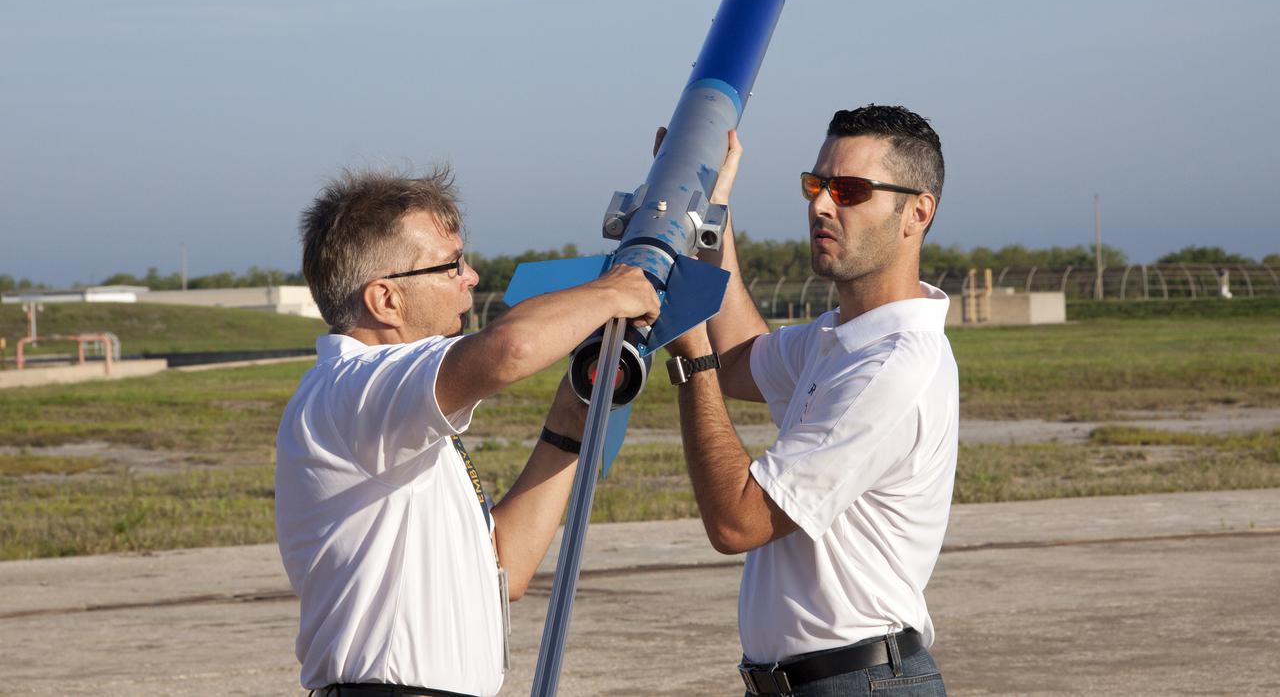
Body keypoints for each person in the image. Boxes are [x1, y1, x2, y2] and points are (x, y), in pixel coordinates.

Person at [274, 166, 660, 697]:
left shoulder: (396, 422)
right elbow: (511, 350)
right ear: (386, 299)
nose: (471, 276)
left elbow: (509, 566)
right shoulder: (354, 389)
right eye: (450, 264)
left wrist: (574, 410)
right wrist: (613, 291)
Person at [665, 105, 957, 696]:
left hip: (859, 681)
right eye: (815, 185)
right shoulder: (841, 338)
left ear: (916, 213)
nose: (822, 205)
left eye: (849, 190)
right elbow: (743, 358)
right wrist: (711, 217)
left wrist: (689, 353)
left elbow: (737, 521)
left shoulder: (891, 367)